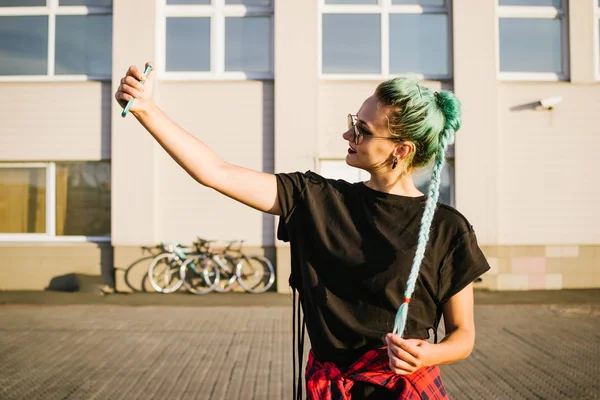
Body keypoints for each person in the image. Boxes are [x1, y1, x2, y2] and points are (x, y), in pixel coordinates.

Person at [115, 63, 490, 400]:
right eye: (352, 121)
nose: (348, 133)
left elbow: (463, 335)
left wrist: (430, 353)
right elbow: (215, 172)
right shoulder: (314, 198)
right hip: (328, 388)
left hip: (404, 390)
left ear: (401, 150)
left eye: (362, 129)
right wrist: (146, 109)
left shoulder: (446, 228)